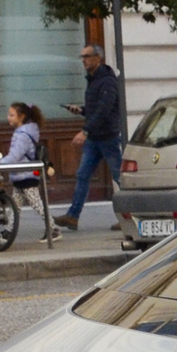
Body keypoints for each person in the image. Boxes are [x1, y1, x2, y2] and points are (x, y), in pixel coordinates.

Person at [59, 45, 121, 227]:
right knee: (83, 175)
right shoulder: (93, 80)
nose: (83, 60)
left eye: (87, 56)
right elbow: (96, 110)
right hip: (95, 138)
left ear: (98, 58)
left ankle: (131, 216)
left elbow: (104, 110)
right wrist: (81, 110)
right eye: (82, 56)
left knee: (120, 177)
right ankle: (73, 216)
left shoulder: (107, 82)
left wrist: (85, 131)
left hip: (108, 137)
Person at [0, 101, 44, 213]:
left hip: (27, 176)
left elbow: (15, 156)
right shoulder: (21, 133)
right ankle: (10, 229)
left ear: (21, 117)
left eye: (12, 115)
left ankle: (52, 226)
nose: (8, 117)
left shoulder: (23, 136)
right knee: (15, 205)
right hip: (20, 174)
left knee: (36, 204)